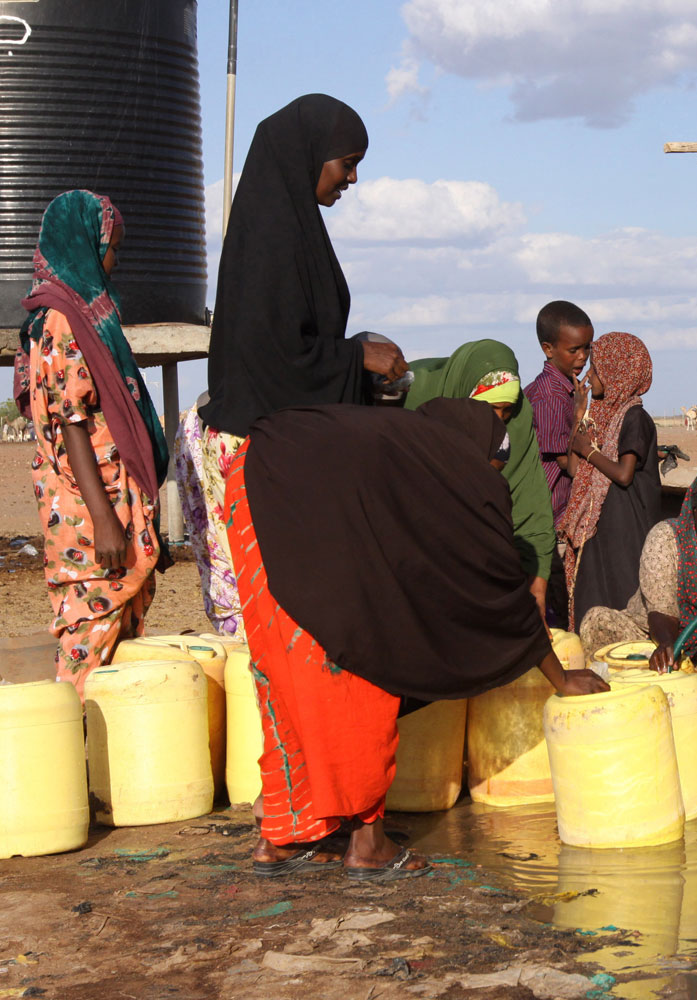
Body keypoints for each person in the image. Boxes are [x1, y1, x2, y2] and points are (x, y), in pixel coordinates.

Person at [224, 398, 608, 878]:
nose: (492, 474)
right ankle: (368, 844)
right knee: (363, 663)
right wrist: (559, 677)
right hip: (286, 490)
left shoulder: (398, 447)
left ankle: (280, 837)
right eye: (494, 461)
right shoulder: (461, 472)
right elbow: (500, 586)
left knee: (287, 673)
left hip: (257, 483)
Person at [177, 94, 407, 637]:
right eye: (347, 164)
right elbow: (270, 357)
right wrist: (357, 356)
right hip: (249, 453)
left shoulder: (295, 231)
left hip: (276, 447)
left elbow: (296, 340)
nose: (351, 179)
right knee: (267, 627)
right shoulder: (270, 242)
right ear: (308, 155)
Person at [13, 190, 169, 698]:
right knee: (90, 628)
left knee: (115, 634)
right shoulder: (62, 320)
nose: (115, 261)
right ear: (82, 244)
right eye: (111, 248)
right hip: (87, 504)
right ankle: (73, 745)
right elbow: (71, 422)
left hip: (99, 496)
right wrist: (105, 518)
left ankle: (105, 757)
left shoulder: (68, 315)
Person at [579, 466, 697, 715]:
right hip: (654, 639)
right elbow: (661, 609)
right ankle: (666, 695)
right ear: (693, 511)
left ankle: (687, 698)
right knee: (596, 622)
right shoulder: (667, 537)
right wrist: (666, 645)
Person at [404, 340, 555, 621]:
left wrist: (537, 590)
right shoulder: (410, 396)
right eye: (489, 408)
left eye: (505, 410)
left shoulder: (517, 425)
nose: (498, 421)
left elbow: (532, 511)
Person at [558, 332, 660, 629]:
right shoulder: (602, 417)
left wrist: (588, 451)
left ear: (617, 373)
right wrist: (579, 413)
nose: (589, 375)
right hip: (600, 529)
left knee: (622, 602)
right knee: (594, 601)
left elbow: (624, 474)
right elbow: (575, 470)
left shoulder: (634, 418)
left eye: (596, 369)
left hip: (626, 530)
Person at [524, 300, 594, 628]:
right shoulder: (551, 396)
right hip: (547, 517)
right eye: (574, 350)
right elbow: (564, 460)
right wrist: (579, 417)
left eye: (587, 349)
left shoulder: (565, 389)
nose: (582, 357)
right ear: (548, 349)